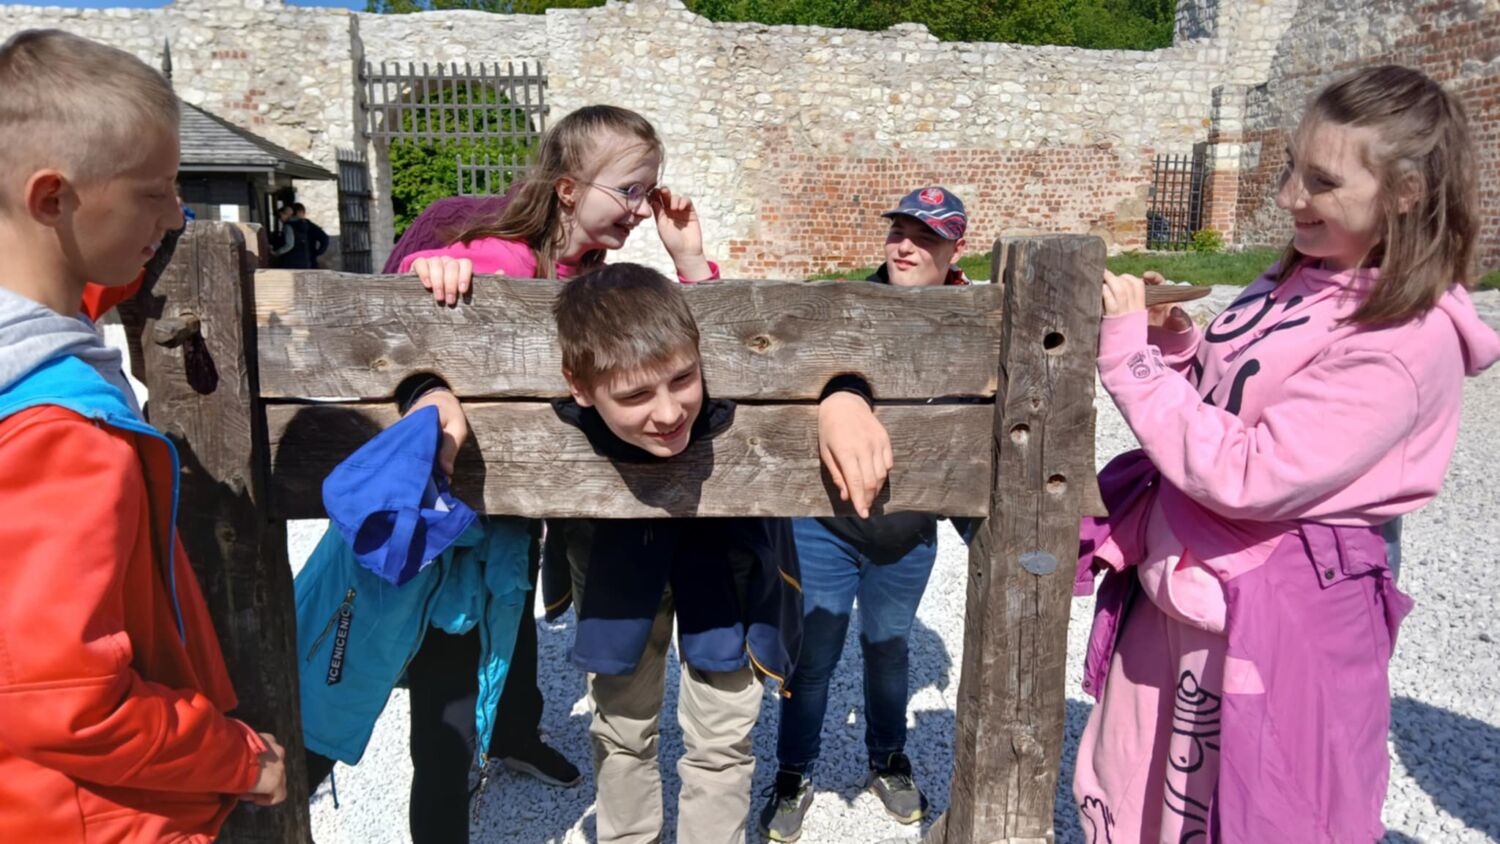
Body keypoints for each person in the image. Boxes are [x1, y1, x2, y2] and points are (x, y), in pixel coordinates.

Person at [1073, 64, 1499, 842]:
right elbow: (1226, 398)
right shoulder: (1299, 272)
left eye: (1322, 182)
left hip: (1269, 616)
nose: (1289, 197)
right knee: (1141, 792)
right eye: (1291, 168)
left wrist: (1130, 364)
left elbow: (1250, 472)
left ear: (1405, 194)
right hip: (1187, 591)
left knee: (1250, 811)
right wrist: (1172, 346)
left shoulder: (1404, 340)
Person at [0, 29, 287, 841]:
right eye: (154, 193)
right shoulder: (62, 441)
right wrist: (238, 759)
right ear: (52, 199)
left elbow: (69, 276)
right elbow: (67, 700)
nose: (177, 216)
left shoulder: (31, 327)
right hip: (103, 819)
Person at [758, 185, 973, 842]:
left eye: (925, 237)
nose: (905, 246)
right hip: (825, 524)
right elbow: (807, 357)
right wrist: (840, 393)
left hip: (906, 531)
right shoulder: (848, 307)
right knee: (812, 654)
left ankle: (887, 759)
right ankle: (794, 770)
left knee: (888, 649)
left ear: (956, 250)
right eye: (898, 231)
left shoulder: (977, 317)